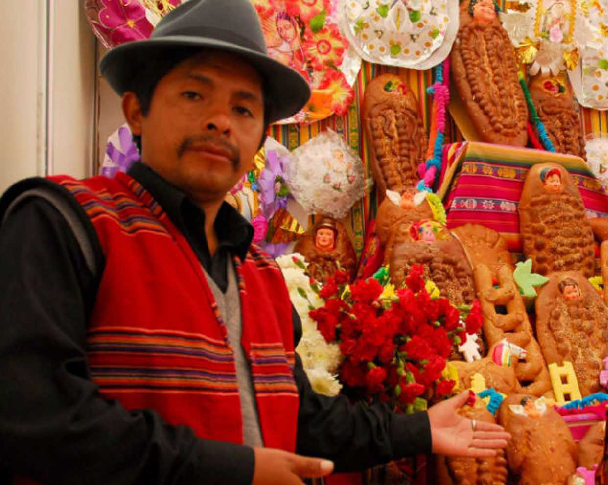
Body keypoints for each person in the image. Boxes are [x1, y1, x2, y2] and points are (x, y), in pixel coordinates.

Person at [0, 1, 509, 484]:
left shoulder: (259, 277)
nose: (221, 121)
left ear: (261, 136)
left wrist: (419, 431)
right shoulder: (65, 222)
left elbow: (301, 419)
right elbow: (37, 419)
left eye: (244, 110)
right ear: (136, 111)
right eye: (194, 95)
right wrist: (233, 471)